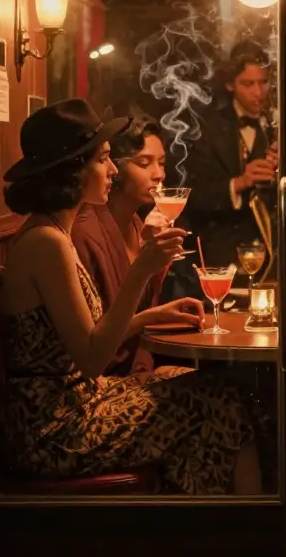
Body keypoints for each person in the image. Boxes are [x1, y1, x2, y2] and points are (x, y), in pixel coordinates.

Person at [0, 99, 261, 494]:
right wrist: (141, 271)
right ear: (74, 169)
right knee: (221, 398)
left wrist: (152, 315)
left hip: (78, 402)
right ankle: (234, 524)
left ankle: (200, 520)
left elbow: (86, 335)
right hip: (55, 427)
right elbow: (91, 359)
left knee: (215, 389)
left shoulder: (55, 232)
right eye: (103, 159)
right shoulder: (47, 242)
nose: (113, 170)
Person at [184, 39, 286, 273]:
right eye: (248, 84)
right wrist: (238, 183)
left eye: (264, 82)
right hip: (228, 254)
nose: (258, 92)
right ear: (230, 84)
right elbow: (192, 197)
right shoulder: (206, 129)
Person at [71, 112, 185, 378]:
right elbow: (94, 340)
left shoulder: (138, 224)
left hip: (136, 370)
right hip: (101, 379)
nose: (159, 175)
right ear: (116, 168)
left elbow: (144, 306)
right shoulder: (85, 231)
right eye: (144, 163)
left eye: (162, 163)